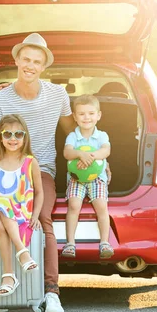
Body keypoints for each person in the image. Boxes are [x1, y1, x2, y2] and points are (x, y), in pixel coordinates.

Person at [0, 33, 76, 312]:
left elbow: (73, 133)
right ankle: (4, 280)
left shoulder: (58, 95)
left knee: (42, 219)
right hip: (5, 173)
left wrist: (96, 156)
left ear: (44, 66)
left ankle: (51, 292)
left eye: (37, 61)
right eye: (26, 59)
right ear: (17, 60)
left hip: (41, 171)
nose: (30, 65)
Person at [0, 114, 43, 296]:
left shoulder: (30, 162)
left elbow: (39, 192)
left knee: (1, 217)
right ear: (0, 137)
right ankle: (19, 259)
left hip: (22, 211)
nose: (13, 139)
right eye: (7, 134)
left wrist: (36, 216)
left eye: (18, 134)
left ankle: (10, 272)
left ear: (24, 137)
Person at [61, 95, 113, 259]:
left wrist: (90, 156)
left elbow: (106, 151)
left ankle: (105, 242)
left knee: (101, 205)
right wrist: (79, 154)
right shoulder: (72, 136)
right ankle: (70, 244)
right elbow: (67, 153)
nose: (87, 118)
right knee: (74, 205)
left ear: (99, 115)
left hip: (97, 178)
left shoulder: (102, 135)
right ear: (75, 117)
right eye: (82, 114)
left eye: (91, 113)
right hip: (76, 178)